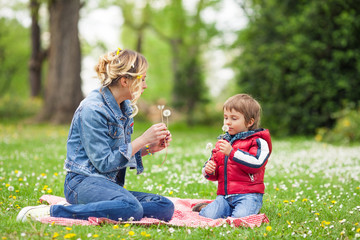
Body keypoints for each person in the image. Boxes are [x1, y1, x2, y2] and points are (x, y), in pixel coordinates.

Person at [17, 48, 174, 222]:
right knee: (132, 208)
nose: (145, 85)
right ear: (124, 81)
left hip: (107, 185)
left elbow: (117, 154)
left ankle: (113, 207)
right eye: (142, 79)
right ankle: (52, 212)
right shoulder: (92, 109)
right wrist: (142, 139)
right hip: (81, 184)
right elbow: (105, 163)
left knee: (164, 206)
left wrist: (148, 148)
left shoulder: (124, 107)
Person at [193, 94, 272, 219]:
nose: (228, 122)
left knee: (240, 218)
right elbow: (213, 169)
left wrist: (232, 153)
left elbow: (257, 164)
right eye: (225, 118)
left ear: (250, 122)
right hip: (224, 196)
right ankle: (209, 208)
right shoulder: (222, 143)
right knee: (207, 216)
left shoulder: (258, 141)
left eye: (234, 118)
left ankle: (245, 208)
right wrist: (208, 170)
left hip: (248, 195)